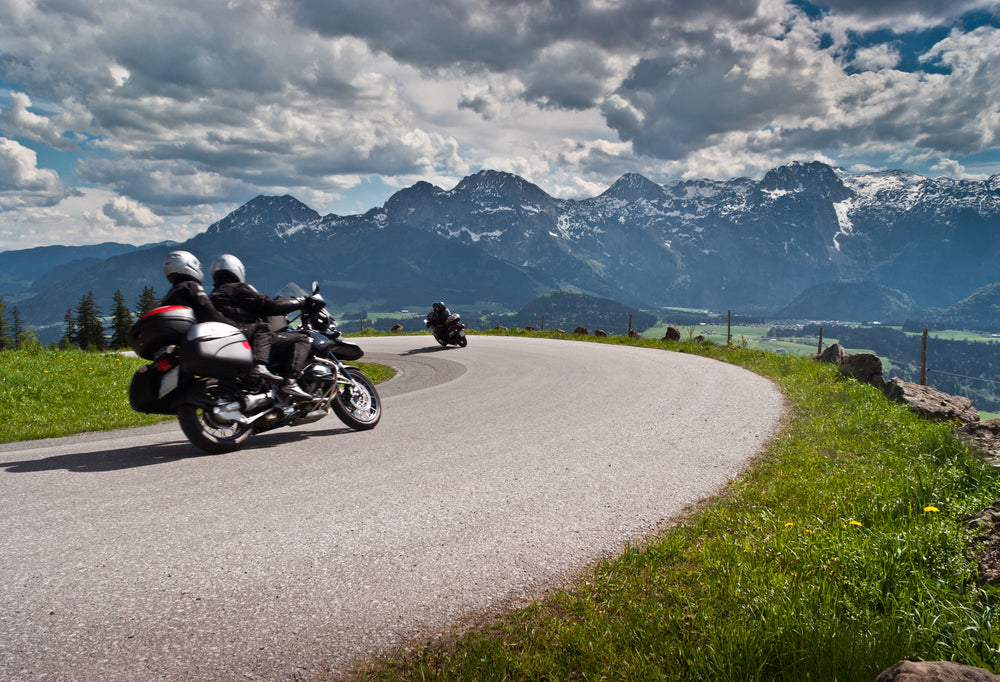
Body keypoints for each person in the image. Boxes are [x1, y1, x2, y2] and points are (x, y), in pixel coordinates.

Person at [160, 250, 282, 383]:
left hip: (185, 343)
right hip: (207, 336)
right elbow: (208, 312)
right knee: (262, 328)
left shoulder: (171, 295)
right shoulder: (191, 287)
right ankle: (260, 367)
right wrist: (230, 327)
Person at [209, 253, 312, 400]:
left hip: (226, 340)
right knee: (302, 339)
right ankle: (290, 381)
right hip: (247, 335)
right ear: (237, 270)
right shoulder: (238, 288)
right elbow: (270, 306)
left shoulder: (214, 295)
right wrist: (301, 302)